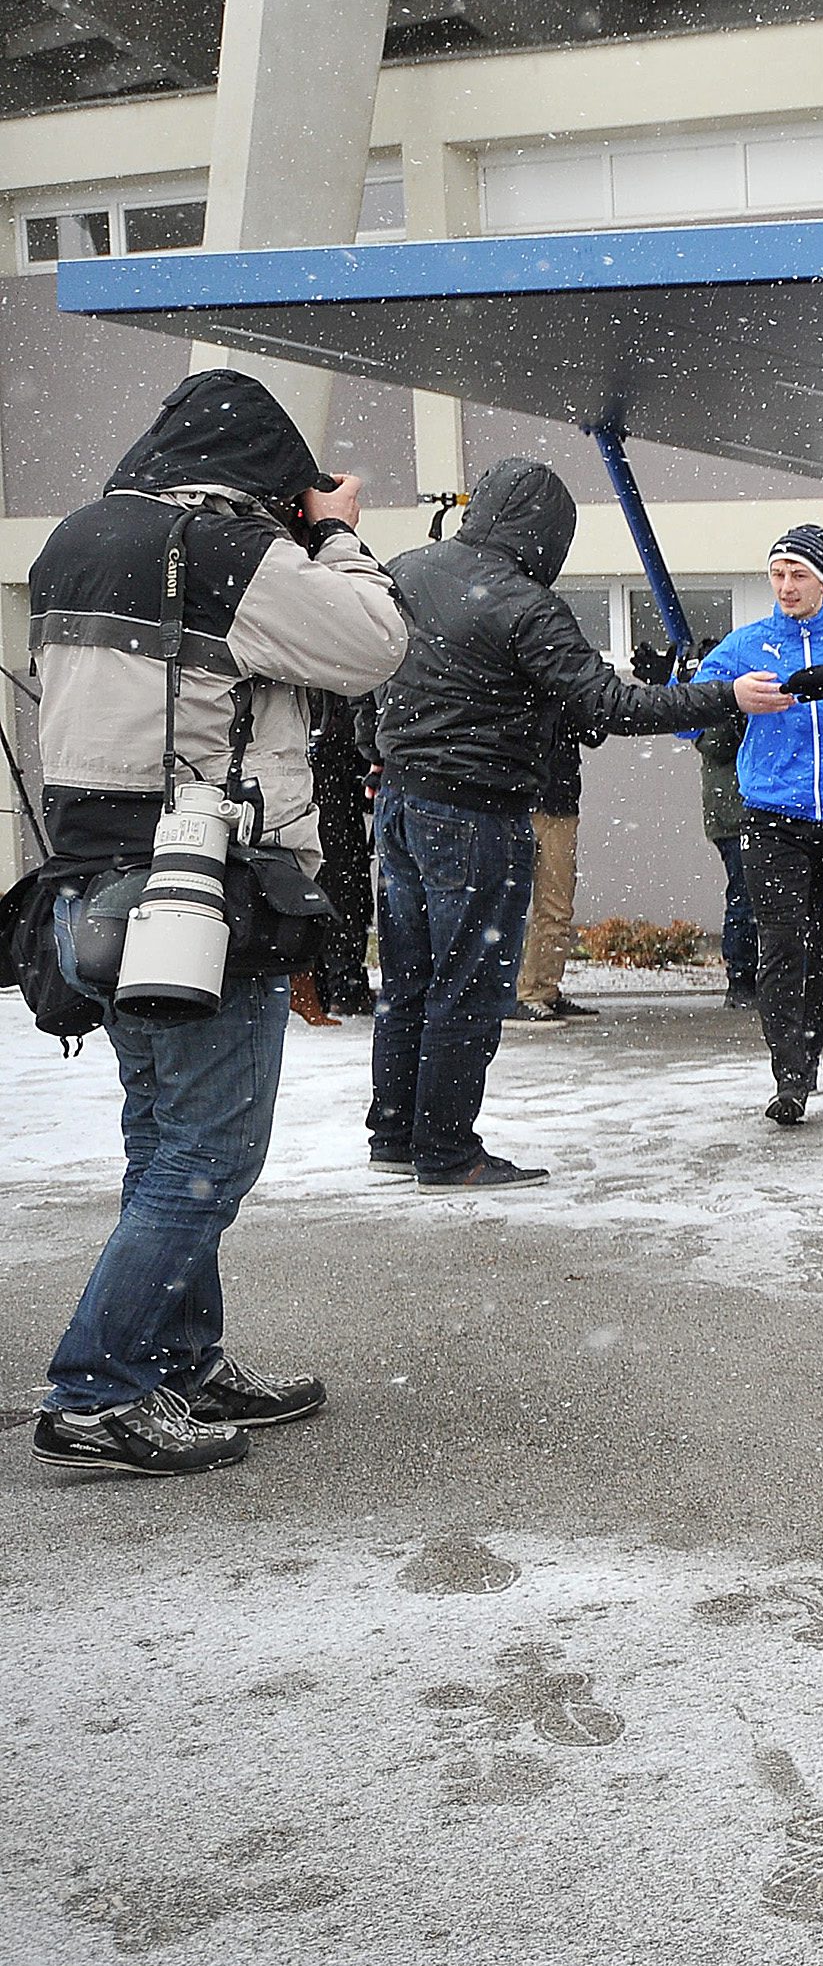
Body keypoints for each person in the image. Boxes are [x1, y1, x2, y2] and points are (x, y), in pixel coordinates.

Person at [25, 369, 407, 1476]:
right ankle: (101, 1388)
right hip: (209, 878)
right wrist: (333, 535)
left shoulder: (76, 538)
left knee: (165, 1137)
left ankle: (181, 1358)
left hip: (97, 878)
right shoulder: (231, 548)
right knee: (208, 1149)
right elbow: (373, 643)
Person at [370, 459, 780, 1188]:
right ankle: (447, 1150)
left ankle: (395, 1135)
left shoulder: (410, 569)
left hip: (401, 802)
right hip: (478, 810)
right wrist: (726, 697)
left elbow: (365, 662)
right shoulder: (526, 606)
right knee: (466, 982)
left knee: (409, 976)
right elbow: (612, 708)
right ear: (550, 533)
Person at [691, 526, 823, 1125]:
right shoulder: (750, 643)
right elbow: (686, 711)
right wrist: (730, 698)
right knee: (781, 942)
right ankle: (789, 1075)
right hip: (772, 815)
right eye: (777, 574)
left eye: (799, 575)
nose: (786, 586)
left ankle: (809, 1052)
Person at [507, 715, 597, 1025]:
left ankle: (541, 988)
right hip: (519, 795)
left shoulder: (566, 676)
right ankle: (516, 991)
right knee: (508, 904)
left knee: (556, 905)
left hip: (554, 796)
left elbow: (595, 730)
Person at [302, 689, 377, 1020]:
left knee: (328, 874)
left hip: (318, 763)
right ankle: (343, 983)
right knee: (343, 879)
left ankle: (328, 981)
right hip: (334, 764)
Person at [694, 706, 759, 1008]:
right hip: (734, 813)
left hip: (742, 808)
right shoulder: (719, 687)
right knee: (745, 899)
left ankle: (746, 978)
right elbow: (713, 743)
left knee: (748, 898)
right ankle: (741, 979)